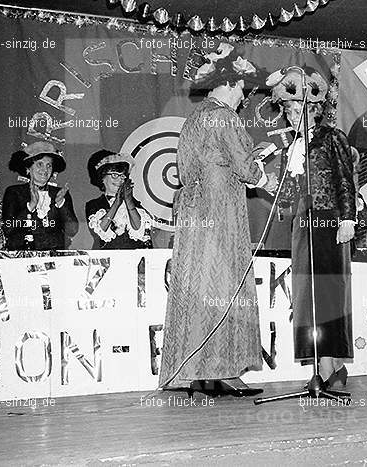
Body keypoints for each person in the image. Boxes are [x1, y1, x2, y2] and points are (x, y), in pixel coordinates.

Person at [158, 44, 277, 397]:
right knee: (225, 284)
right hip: (221, 208)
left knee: (199, 286)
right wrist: (264, 177)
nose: (245, 98)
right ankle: (222, 369)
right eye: (243, 89)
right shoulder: (224, 116)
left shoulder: (194, 119)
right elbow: (244, 168)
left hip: (195, 213)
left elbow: (189, 168)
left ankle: (199, 372)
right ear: (230, 83)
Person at [271, 66, 356, 388]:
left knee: (330, 292)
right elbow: (286, 193)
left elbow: (345, 180)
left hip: (329, 220)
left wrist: (348, 218)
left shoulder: (332, 137)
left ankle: (328, 368)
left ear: (313, 110)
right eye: (288, 113)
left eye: (296, 111)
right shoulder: (290, 148)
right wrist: (263, 176)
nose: (291, 118)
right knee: (308, 295)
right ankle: (328, 368)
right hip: (302, 223)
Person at [2, 142, 78, 250]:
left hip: (55, 256)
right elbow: (8, 229)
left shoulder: (59, 193)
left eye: (49, 165)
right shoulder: (14, 192)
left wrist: (60, 203)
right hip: (23, 256)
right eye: (39, 164)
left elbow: (73, 231)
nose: (45, 170)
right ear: (29, 168)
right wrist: (30, 206)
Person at [85, 150, 152, 249]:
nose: (120, 180)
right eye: (115, 175)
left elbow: (140, 231)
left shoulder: (135, 204)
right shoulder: (94, 205)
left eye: (122, 176)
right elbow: (101, 231)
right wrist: (117, 203)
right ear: (102, 178)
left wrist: (128, 200)